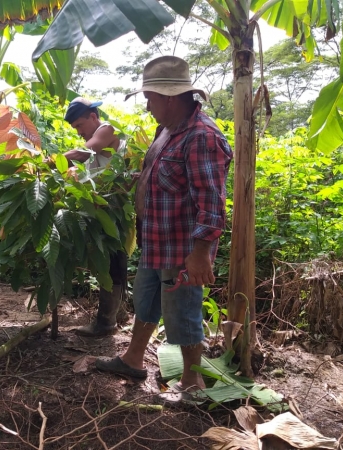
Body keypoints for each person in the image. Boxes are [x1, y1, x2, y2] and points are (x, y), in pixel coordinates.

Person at [95, 56, 233, 402]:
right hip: (155, 241)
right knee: (146, 302)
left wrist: (201, 252)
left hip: (182, 249)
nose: (147, 105)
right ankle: (132, 359)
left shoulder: (202, 136)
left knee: (183, 313)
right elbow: (154, 177)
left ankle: (191, 383)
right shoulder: (167, 131)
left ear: (170, 97)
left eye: (150, 98)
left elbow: (212, 200)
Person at [62, 97, 128, 337]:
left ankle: (106, 323)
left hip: (114, 209)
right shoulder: (98, 136)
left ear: (93, 116)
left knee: (113, 262)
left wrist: (51, 160)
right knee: (111, 261)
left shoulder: (107, 129)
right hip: (104, 208)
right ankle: (113, 316)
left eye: (80, 125)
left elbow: (85, 152)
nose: (79, 132)